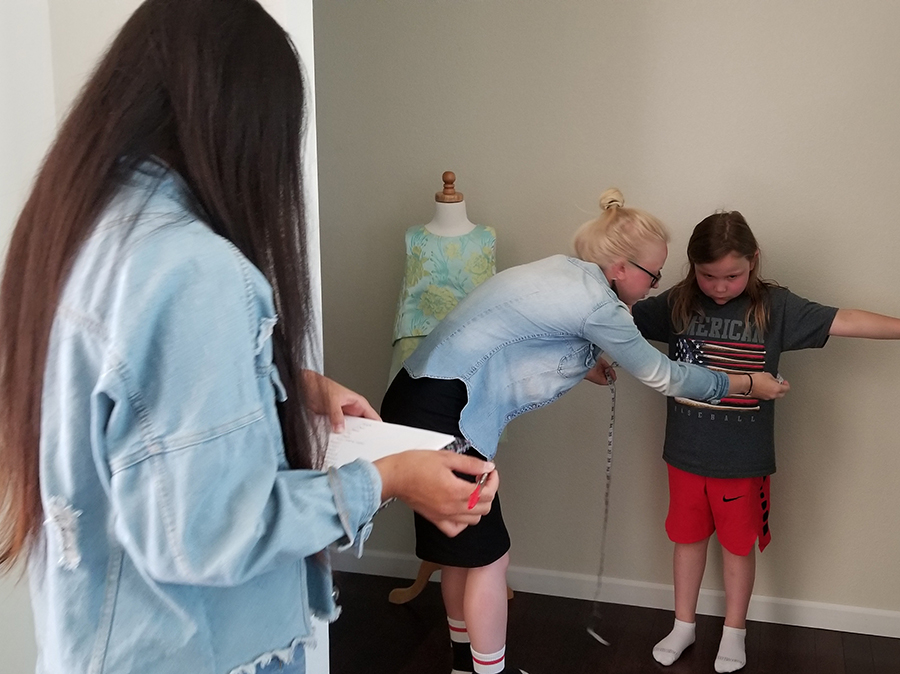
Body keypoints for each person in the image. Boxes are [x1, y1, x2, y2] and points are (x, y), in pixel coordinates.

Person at [0, 2, 498, 673]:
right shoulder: (190, 270)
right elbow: (208, 530)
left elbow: (135, 407)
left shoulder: (80, 228)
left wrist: (286, 382)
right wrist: (385, 479)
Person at [380, 190, 788, 674]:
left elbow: (526, 335)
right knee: (490, 559)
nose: (653, 284)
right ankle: (490, 672)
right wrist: (745, 382)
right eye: (652, 274)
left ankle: (464, 665)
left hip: (413, 396)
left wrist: (585, 366)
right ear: (620, 267)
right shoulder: (601, 305)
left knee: (459, 555)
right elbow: (667, 376)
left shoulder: (564, 271)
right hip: (448, 415)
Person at [630, 210, 900, 673]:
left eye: (731, 275)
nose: (718, 286)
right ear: (691, 267)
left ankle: (735, 631)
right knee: (687, 540)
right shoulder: (677, 302)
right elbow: (617, 322)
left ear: (753, 261)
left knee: (738, 546)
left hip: (743, 461)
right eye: (707, 275)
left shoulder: (776, 306)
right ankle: (683, 624)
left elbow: (846, 319)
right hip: (683, 456)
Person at [389, 171, 496, 383]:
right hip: (414, 343)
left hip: (473, 343)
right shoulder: (414, 236)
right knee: (409, 409)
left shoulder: (486, 237)